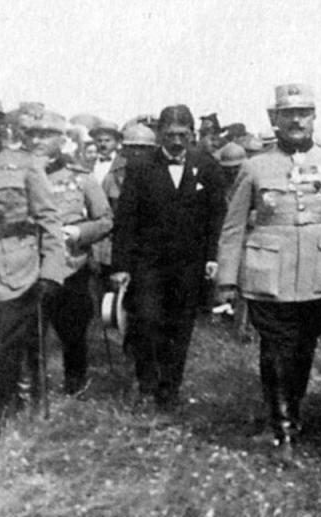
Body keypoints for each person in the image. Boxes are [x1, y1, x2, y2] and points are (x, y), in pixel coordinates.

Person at [216, 84, 321, 461]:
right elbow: (233, 227)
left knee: (304, 347)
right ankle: (282, 430)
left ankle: (291, 413)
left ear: (314, 117)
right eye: (288, 114)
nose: (296, 120)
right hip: (268, 273)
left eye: (304, 112)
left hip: (318, 274)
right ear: (273, 120)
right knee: (277, 349)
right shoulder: (254, 166)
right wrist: (227, 281)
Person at [0, 83, 66, 516]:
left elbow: (50, 220)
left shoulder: (25, 165)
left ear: (0, 123)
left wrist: (51, 272)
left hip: (12, 276)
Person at [110, 104, 226, 410]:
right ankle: (146, 381)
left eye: (183, 134)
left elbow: (217, 216)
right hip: (148, 264)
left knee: (180, 327)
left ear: (192, 134)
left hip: (189, 265)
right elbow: (125, 220)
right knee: (146, 322)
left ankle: (169, 388)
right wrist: (121, 265)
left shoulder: (207, 166)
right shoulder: (142, 167)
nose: (176, 141)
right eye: (170, 134)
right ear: (160, 133)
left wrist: (213, 256)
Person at [23, 110, 113, 395]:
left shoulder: (81, 177)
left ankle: (76, 387)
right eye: (32, 134)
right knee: (29, 334)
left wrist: (78, 232)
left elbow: (105, 219)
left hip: (70, 266)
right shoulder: (18, 174)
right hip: (26, 266)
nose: (36, 140)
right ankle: (31, 394)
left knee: (73, 331)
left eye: (45, 135)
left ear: (61, 141)